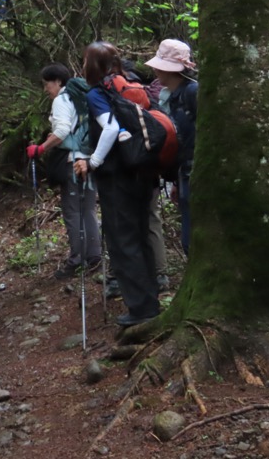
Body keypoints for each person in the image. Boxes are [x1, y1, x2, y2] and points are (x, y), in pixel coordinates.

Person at [73, 41, 160, 327]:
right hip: (142, 172)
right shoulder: (131, 84)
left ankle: (141, 308)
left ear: (95, 65)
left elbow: (109, 128)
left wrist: (94, 162)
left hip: (117, 178)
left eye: (86, 60)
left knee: (123, 241)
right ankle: (150, 300)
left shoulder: (99, 93)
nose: (83, 65)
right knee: (140, 236)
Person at [26, 64, 101, 280]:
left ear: (58, 81)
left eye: (46, 84)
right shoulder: (83, 96)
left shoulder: (62, 99)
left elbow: (61, 131)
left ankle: (77, 259)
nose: (45, 89)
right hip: (89, 159)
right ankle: (94, 257)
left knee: (72, 211)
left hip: (72, 162)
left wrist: (41, 148)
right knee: (87, 208)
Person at [146, 39, 198, 256]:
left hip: (196, 171)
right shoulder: (170, 97)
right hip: (183, 172)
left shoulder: (193, 93)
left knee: (193, 236)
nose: (156, 70)